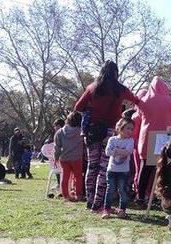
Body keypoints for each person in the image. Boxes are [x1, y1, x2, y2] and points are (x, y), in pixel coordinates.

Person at [74, 60, 141, 211]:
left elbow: (78, 107)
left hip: (92, 132)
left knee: (92, 167)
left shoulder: (92, 88)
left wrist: (91, 109)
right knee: (104, 168)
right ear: (116, 73)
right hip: (110, 132)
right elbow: (136, 100)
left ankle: (90, 201)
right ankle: (98, 203)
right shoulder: (120, 89)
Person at [134, 76, 171, 203]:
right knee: (165, 171)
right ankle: (163, 197)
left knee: (144, 169)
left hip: (146, 141)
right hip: (165, 141)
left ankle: (140, 196)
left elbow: (137, 119)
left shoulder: (144, 100)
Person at [102, 117, 135, 218]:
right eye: (128, 128)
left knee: (122, 190)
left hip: (123, 171)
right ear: (119, 128)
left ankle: (122, 210)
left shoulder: (130, 141)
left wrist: (115, 150)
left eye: (132, 129)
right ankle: (106, 210)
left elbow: (128, 152)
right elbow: (108, 152)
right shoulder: (112, 139)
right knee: (110, 189)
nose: (130, 131)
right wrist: (121, 151)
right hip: (111, 170)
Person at [53, 111, 84, 202]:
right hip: (77, 158)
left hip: (64, 158)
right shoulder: (81, 131)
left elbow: (57, 146)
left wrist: (56, 157)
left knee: (65, 177)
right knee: (78, 177)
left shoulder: (60, 132)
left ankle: (66, 194)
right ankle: (78, 195)